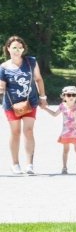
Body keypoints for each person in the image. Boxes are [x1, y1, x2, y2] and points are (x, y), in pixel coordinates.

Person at [1, 36, 48, 175]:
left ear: (23, 49)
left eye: (20, 48)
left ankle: (29, 164)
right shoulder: (3, 67)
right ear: (8, 49)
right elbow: (2, 86)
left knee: (28, 131)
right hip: (11, 104)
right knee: (15, 132)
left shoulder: (31, 62)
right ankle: (15, 164)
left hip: (30, 101)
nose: (17, 50)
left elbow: (38, 79)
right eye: (14, 47)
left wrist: (43, 97)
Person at [40, 86, 76, 175]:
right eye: (68, 95)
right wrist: (45, 108)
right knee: (66, 150)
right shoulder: (62, 106)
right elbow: (54, 114)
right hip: (66, 133)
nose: (71, 97)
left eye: (73, 95)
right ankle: (64, 167)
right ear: (64, 96)